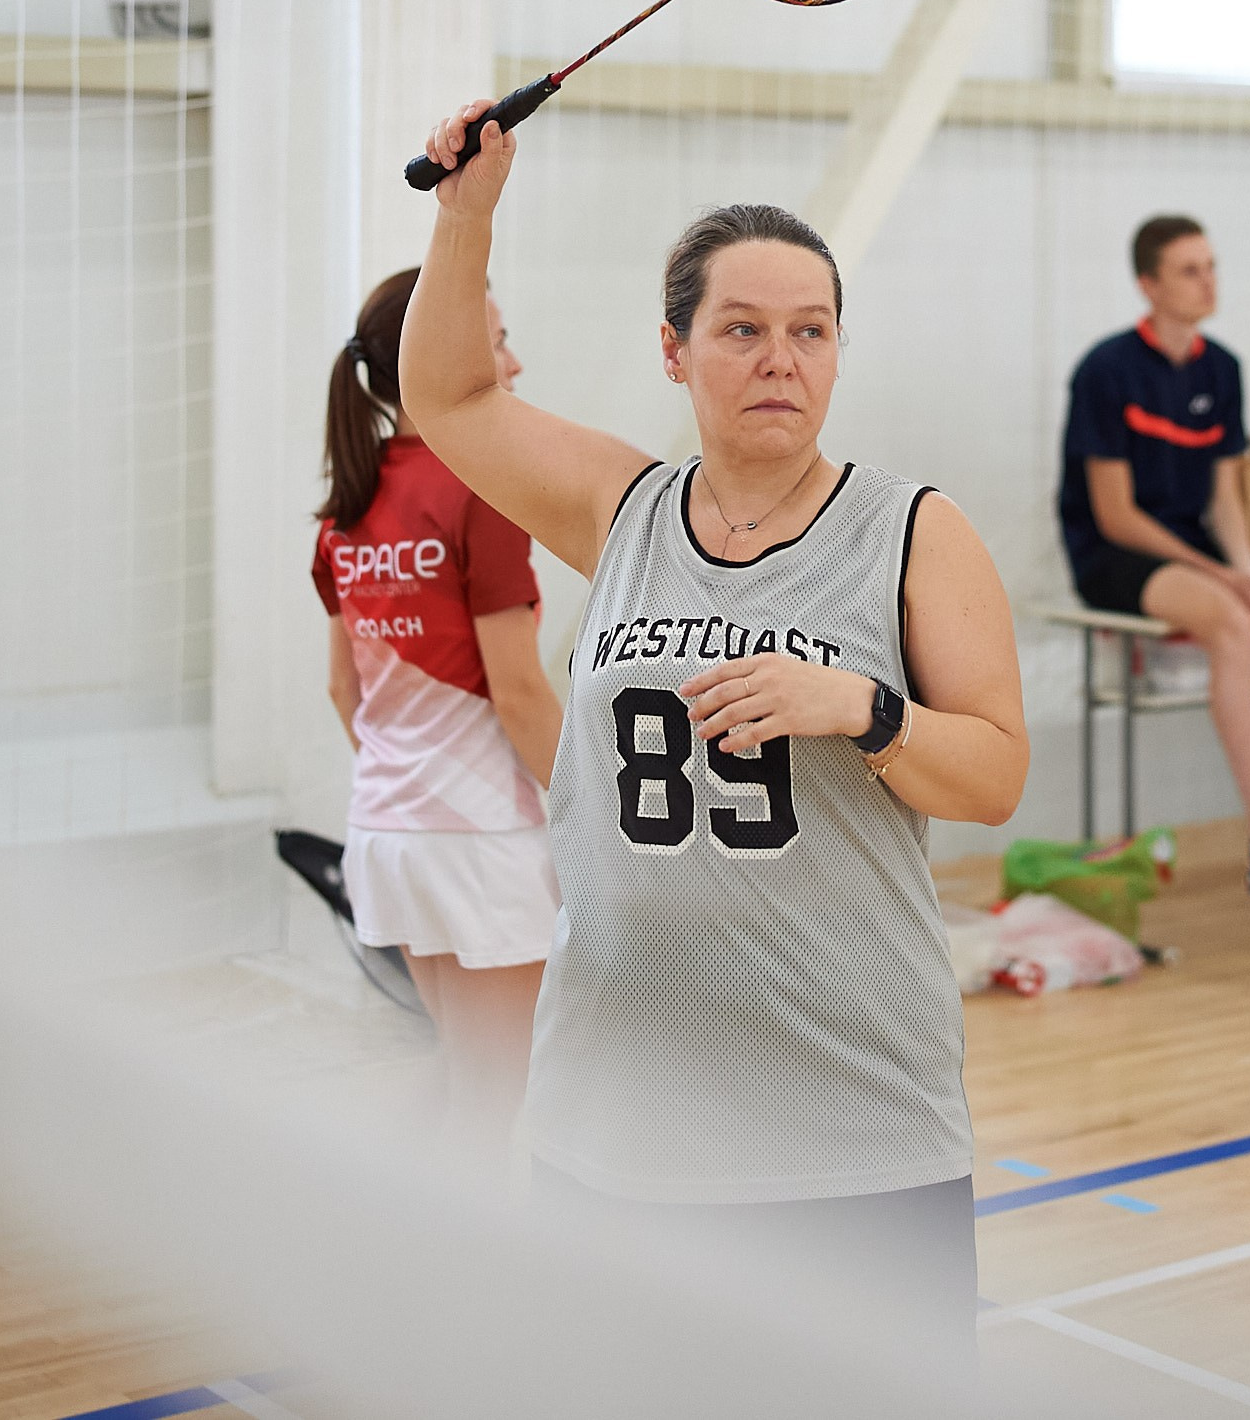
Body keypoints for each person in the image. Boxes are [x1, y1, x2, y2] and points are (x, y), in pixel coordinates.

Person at [400, 101, 1027, 1386]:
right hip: (616, 1119)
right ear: (676, 352)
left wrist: (865, 709)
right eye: (742, 330)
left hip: (847, 1123)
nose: (778, 359)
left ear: (840, 353)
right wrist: (466, 221)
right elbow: (450, 394)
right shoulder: (619, 509)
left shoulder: (912, 532)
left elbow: (999, 775)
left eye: (810, 332)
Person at [315, 269, 565, 1155]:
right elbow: (521, 691)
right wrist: (594, 812)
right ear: (445, 354)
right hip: (480, 843)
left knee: (463, 1078)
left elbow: (346, 693)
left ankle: (370, 1247)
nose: (517, 362)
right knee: (495, 1101)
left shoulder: (347, 505)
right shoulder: (480, 494)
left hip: (388, 836)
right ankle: (455, 1284)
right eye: (498, 341)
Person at [1058, 214, 1250, 920]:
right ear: (1149, 285)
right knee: (1231, 619)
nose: (1209, 281)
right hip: (1117, 558)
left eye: (1213, 266)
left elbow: (1224, 497)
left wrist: (1249, 568)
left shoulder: (1222, 369)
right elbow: (1117, 516)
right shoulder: (1106, 371)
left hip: (1204, 554)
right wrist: (1230, 583)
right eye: (1190, 270)